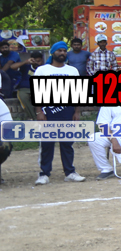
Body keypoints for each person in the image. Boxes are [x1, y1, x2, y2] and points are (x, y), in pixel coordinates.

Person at [34, 42, 86, 184]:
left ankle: (70, 172)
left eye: (64, 51)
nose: (62, 53)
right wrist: (39, 112)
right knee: (47, 144)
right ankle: (44, 174)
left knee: (67, 143)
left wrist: (77, 112)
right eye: (59, 51)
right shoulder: (42, 70)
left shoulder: (72, 70)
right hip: (48, 111)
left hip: (67, 111)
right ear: (53, 53)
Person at [13, 49, 40, 120]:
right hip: (24, 89)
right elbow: (12, 67)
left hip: (38, 89)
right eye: (35, 61)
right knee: (23, 97)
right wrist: (26, 62)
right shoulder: (26, 66)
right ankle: (34, 118)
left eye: (39, 61)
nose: (37, 63)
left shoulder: (44, 68)